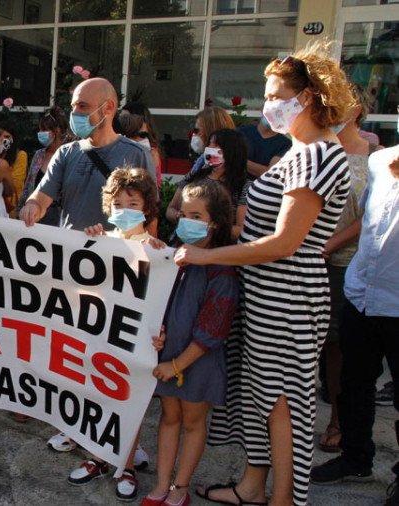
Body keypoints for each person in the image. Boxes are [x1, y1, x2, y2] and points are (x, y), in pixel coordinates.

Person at [179, 46, 352, 506]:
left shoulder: (316, 156)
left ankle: (283, 500)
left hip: (288, 299)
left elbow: (284, 244)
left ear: (310, 98)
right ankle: (253, 486)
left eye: (276, 95)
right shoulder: (298, 153)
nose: (267, 104)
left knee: (283, 406)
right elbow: (254, 226)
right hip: (265, 295)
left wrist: (204, 259)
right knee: (260, 398)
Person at [308, 121, 399, 502]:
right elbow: (367, 221)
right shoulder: (380, 163)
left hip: (396, 303)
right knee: (353, 383)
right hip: (363, 294)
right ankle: (356, 456)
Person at [142, 179, 239, 506]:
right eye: (183, 213)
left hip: (197, 363)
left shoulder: (221, 268)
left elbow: (214, 327)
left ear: (215, 222)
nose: (186, 221)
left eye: (196, 215)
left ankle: (179, 489)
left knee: (193, 422)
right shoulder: (173, 257)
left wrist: (178, 364)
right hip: (168, 357)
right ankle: (161, 485)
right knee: (169, 418)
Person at [64, 168, 159, 500]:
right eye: (118, 203)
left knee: (128, 403)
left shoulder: (156, 250)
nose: (125, 209)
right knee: (98, 398)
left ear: (147, 207)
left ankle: (127, 465)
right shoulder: (105, 240)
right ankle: (98, 458)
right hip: (100, 336)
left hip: (134, 342)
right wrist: (90, 242)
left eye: (133, 202)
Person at [317, 82, 376, 454]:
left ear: (355, 111)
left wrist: (330, 245)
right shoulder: (319, 151)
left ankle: (337, 420)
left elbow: (370, 215)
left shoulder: (376, 159)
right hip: (309, 257)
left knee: (337, 347)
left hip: (344, 263)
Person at [18, 77, 155, 232]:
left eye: (83, 106)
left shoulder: (137, 155)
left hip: (115, 252)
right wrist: (32, 206)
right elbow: (41, 197)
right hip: (71, 251)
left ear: (108, 108)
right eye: (73, 106)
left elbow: (150, 217)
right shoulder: (65, 153)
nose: (75, 113)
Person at [167, 129, 250, 240]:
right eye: (209, 144)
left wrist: (207, 228)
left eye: (215, 145)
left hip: (219, 251)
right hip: (182, 242)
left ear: (231, 151)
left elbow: (240, 229)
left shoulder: (243, 186)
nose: (209, 148)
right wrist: (183, 219)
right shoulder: (195, 175)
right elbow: (170, 210)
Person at [15, 106, 67, 225]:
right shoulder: (39, 155)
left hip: (60, 217)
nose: (40, 133)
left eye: (44, 130)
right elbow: (28, 185)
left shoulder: (68, 156)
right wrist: (21, 211)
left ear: (57, 131)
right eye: (39, 130)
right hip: (35, 216)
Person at [118, 112, 163, 188]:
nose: (146, 140)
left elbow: (154, 189)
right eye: (143, 135)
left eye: (147, 135)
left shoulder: (151, 156)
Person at [189, 107, 235, 171]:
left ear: (211, 131)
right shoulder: (203, 160)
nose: (194, 134)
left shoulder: (222, 166)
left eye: (197, 130)